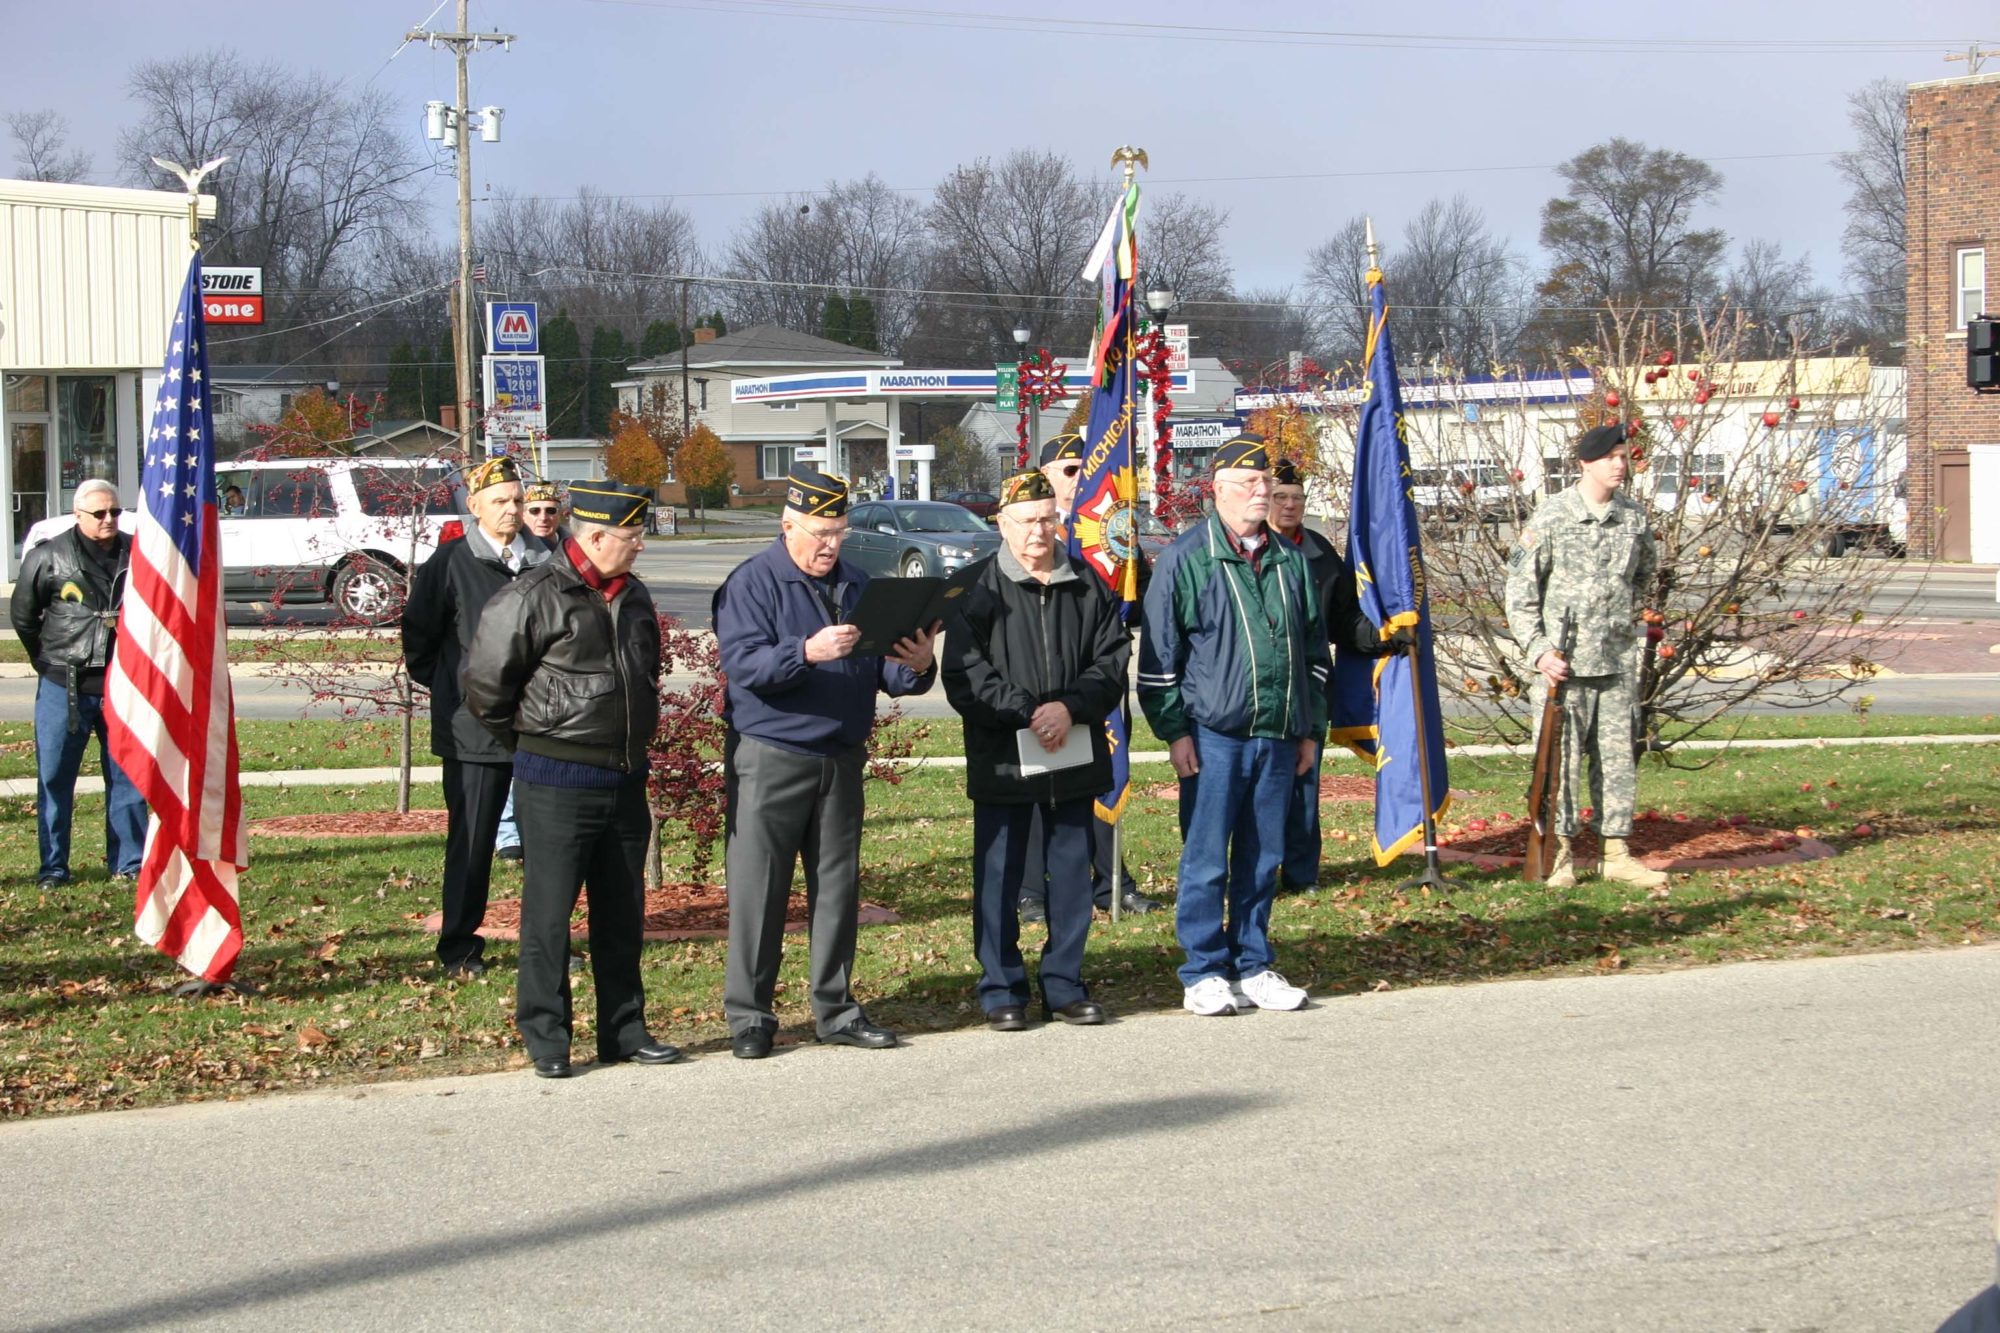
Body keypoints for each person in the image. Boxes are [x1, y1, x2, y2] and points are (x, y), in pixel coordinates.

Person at [713, 464, 938, 1059]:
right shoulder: (753, 583)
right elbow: (744, 668)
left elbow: (882, 669)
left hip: (840, 757)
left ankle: (835, 1009)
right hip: (772, 754)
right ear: (788, 527)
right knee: (759, 890)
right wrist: (804, 652)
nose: (829, 545)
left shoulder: (860, 583)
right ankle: (750, 1017)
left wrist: (916, 664)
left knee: (837, 889)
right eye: (818, 533)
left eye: (838, 531)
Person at [462, 480, 679, 1079]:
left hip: (625, 779)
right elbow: (484, 688)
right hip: (555, 781)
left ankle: (624, 1031)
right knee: (549, 915)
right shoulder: (531, 594)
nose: (640, 547)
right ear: (597, 536)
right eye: (633, 538)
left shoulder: (632, 595)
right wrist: (536, 745)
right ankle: (547, 1036)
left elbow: (645, 674)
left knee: (622, 913)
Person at [1139, 435, 1329, 1017]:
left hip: (1278, 733)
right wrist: (1175, 733)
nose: (1261, 492)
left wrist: (1308, 731)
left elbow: (1315, 653)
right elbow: (1158, 660)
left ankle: (1253, 963)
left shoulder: (1293, 561)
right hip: (1213, 736)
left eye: (1265, 483)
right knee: (1205, 857)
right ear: (1216, 490)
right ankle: (1202, 970)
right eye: (1247, 483)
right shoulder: (1185, 559)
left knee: (1263, 854)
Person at [943, 470, 1131, 1030]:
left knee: (1072, 873)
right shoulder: (975, 589)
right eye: (1026, 522)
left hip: (1073, 752)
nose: (1038, 532)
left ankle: (1065, 983)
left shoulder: (1087, 584)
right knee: (998, 876)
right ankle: (1001, 986)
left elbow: (1113, 660)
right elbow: (965, 675)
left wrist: (1069, 708)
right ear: (1002, 523)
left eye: (1048, 519)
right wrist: (1029, 711)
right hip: (1004, 756)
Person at [401, 455, 554, 978]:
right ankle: (460, 948)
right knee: (472, 842)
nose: (512, 511)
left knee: (547, 844)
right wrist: (455, 692)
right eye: (499, 502)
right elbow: (419, 644)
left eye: (517, 500)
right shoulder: (448, 563)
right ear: (474, 507)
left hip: (540, 728)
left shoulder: (547, 558)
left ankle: (546, 944)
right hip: (472, 734)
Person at [1504, 422, 1667, 890]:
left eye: (1624, 456)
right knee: (1561, 766)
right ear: (1585, 463)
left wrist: (1614, 622)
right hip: (1564, 668)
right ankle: (1561, 855)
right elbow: (1519, 592)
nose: (1620, 464)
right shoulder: (1552, 517)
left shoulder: (1632, 517)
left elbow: (1642, 576)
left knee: (1617, 762)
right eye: (1611, 457)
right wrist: (1538, 652)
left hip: (1614, 664)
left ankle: (1616, 852)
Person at [1017, 431, 1162, 922]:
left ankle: (1112, 882)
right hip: (1043, 681)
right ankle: (1032, 890)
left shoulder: (1108, 531)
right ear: (1045, 479)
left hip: (1096, 681)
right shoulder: (1034, 534)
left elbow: (1138, 605)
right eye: (1070, 471)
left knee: (1104, 776)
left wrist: (1131, 556)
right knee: (1039, 785)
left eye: (1086, 468)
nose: (1082, 479)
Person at [9, 480, 145, 888]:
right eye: (99, 513)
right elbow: (23, 616)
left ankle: (129, 863)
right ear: (78, 515)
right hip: (62, 685)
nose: (109, 519)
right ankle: (53, 867)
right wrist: (48, 660)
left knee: (128, 777)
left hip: (124, 685)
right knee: (54, 778)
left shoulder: (138, 553)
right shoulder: (47, 557)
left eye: (115, 512)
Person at [1266, 459, 1387, 893]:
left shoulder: (1318, 552)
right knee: (1256, 788)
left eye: (1297, 499)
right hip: (1256, 690)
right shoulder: (1247, 548)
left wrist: (1387, 636)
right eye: (1280, 497)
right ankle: (1255, 873)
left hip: (1308, 689)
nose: (1289, 506)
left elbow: (1344, 620)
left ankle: (1300, 874)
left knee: (1303, 785)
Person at [493, 481, 569, 864]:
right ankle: (509, 832)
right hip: (521, 663)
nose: (543, 517)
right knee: (515, 748)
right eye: (535, 510)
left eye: (551, 510)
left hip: (559, 669)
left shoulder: (572, 551)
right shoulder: (515, 554)